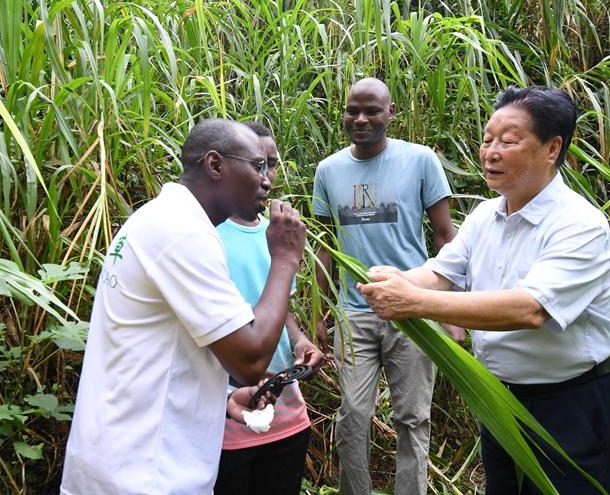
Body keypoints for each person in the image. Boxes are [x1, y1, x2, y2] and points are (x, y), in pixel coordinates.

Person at [358, 85, 610, 495]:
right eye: (487, 139)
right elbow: (441, 274)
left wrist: (415, 302)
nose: (491, 152)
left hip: (569, 403)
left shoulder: (580, 225)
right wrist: (395, 280)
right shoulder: (484, 216)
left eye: (509, 141)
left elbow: (530, 309)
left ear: (552, 149)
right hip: (497, 398)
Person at [61, 119, 306, 494]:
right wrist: (285, 258)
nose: (268, 180)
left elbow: (167, 349)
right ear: (215, 164)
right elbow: (250, 359)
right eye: (257, 165)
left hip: (121, 459)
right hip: (146, 473)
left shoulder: (161, 219)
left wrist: (224, 399)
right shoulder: (182, 234)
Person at [312, 77, 461, 495]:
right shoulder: (329, 170)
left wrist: (450, 311)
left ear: (390, 113)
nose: (360, 119)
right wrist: (319, 313)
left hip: (412, 311)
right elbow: (326, 248)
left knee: (412, 418)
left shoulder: (420, 161)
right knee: (353, 416)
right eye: (352, 111)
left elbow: (445, 237)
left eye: (371, 110)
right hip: (354, 314)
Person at [214, 122, 323, 495]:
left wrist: (300, 343)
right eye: (257, 165)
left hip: (287, 413)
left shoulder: (276, 233)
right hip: (227, 417)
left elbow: (282, 309)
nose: (266, 177)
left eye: (271, 165)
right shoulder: (205, 236)